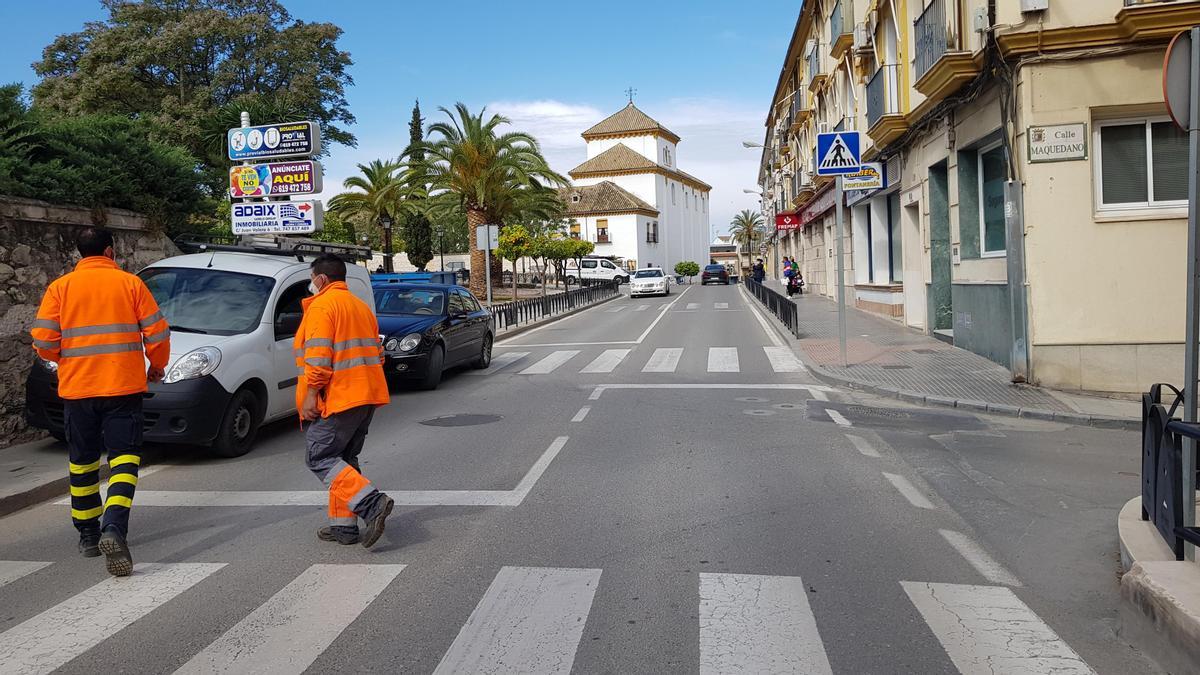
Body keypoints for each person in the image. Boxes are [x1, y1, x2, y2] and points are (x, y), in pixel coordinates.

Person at [30, 227, 171, 576]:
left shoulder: (60, 288)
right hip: (123, 388)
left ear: (80, 254)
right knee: (124, 461)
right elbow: (157, 332)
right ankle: (114, 527)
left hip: (79, 390)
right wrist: (156, 366)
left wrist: (66, 360)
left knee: (82, 463)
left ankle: (89, 536)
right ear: (110, 251)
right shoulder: (130, 284)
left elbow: (43, 340)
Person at [295, 254, 394, 548]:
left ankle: (372, 503)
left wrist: (312, 393)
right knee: (344, 461)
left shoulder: (322, 306)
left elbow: (318, 357)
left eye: (311, 280)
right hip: (366, 396)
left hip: (339, 396)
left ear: (321, 279)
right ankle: (344, 528)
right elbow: (378, 354)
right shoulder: (360, 307)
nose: (310, 285)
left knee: (319, 457)